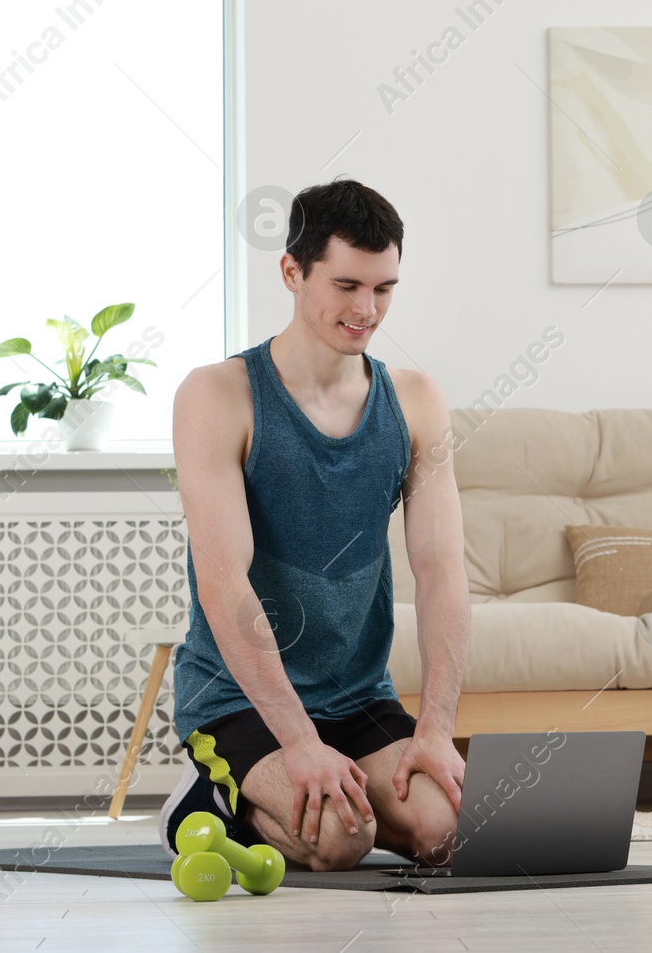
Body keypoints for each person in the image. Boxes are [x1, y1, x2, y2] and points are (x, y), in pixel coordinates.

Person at [160, 178, 471, 871]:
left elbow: (442, 570)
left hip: (358, 695)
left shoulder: (416, 401)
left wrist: (436, 729)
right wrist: (298, 741)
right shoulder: (218, 395)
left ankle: (323, 786)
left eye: (384, 288)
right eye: (347, 284)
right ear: (292, 272)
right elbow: (223, 580)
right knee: (340, 839)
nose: (366, 309)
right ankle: (204, 796)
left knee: (439, 827)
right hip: (239, 697)